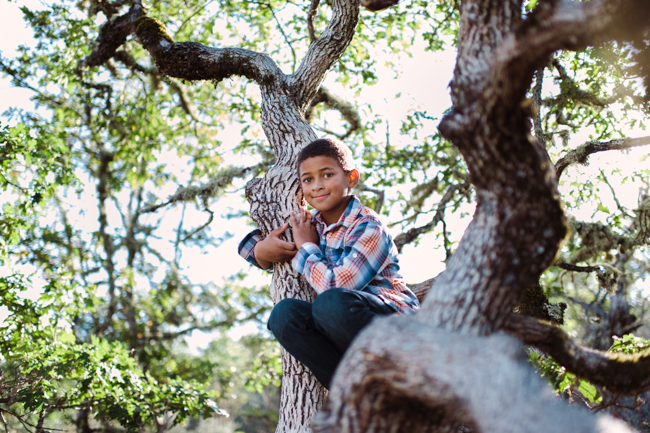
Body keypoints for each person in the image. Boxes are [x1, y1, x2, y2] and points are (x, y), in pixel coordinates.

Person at [238, 138, 419, 389]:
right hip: (348, 333)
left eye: (327, 174)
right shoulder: (311, 225)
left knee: (329, 303)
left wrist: (305, 247)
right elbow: (248, 243)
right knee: (284, 315)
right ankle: (355, 393)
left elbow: (339, 284)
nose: (317, 186)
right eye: (308, 179)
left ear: (351, 178)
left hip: (395, 328)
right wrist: (261, 251)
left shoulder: (368, 225)